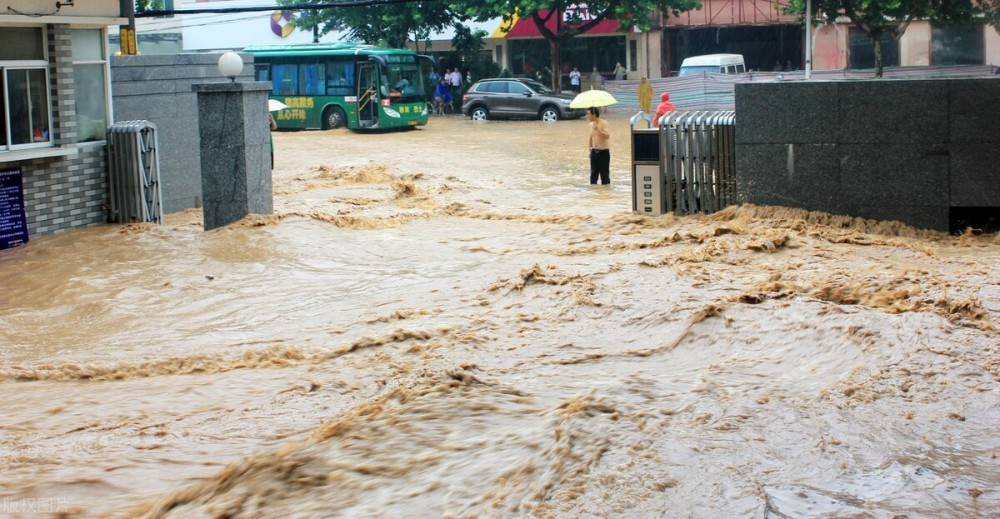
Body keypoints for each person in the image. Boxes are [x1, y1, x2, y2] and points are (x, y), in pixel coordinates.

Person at [586, 106, 611, 185]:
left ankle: (605, 194)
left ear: (594, 115)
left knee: (605, 176)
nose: (587, 116)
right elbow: (590, 138)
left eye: (589, 114)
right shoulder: (590, 125)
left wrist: (599, 130)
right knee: (593, 175)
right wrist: (590, 150)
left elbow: (607, 136)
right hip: (594, 152)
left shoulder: (604, 123)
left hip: (603, 152)